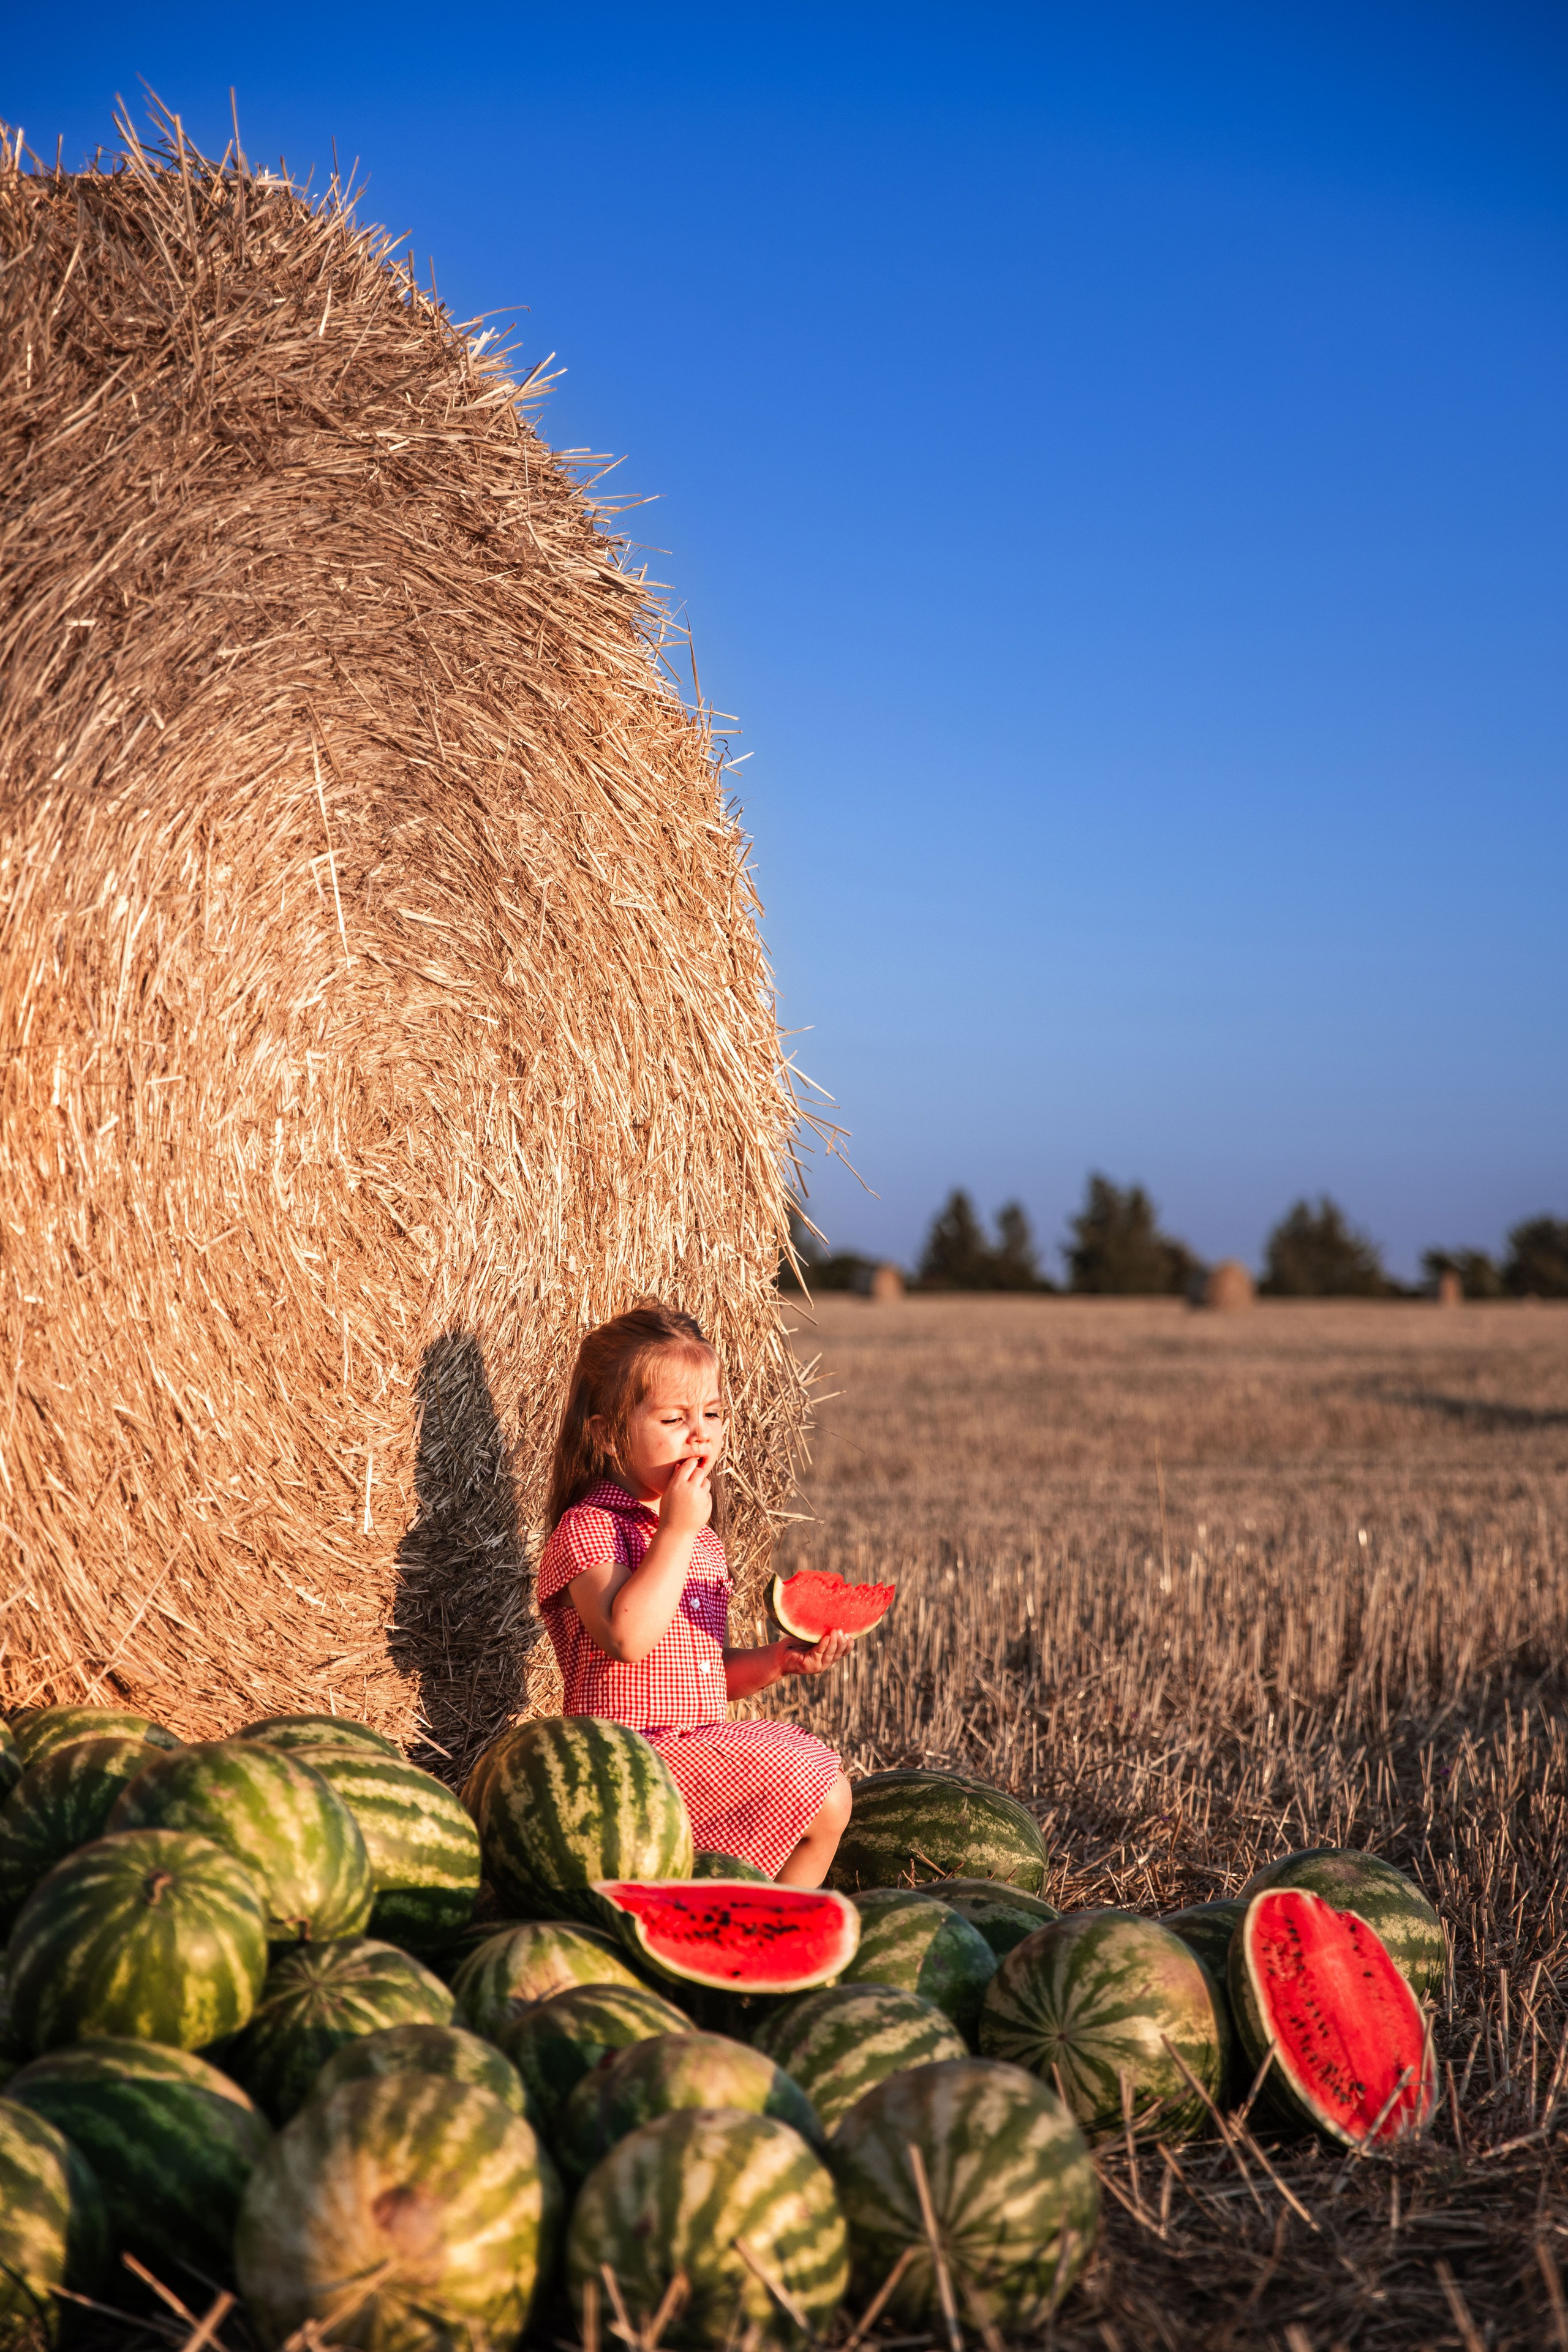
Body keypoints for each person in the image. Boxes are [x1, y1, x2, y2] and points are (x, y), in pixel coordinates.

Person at [536, 1302, 852, 1885]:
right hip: (621, 1765)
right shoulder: (590, 1528)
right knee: (825, 1791)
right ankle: (767, 1941)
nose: (700, 1432)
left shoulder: (699, 1540)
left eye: (711, 1413)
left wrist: (779, 1661)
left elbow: (704, 1676)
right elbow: (627, 1638)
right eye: (674, 1419)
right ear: (606, 1434)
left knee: (828, 1795)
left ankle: (759, 1938)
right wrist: (678, 1532)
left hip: (689, 1750)